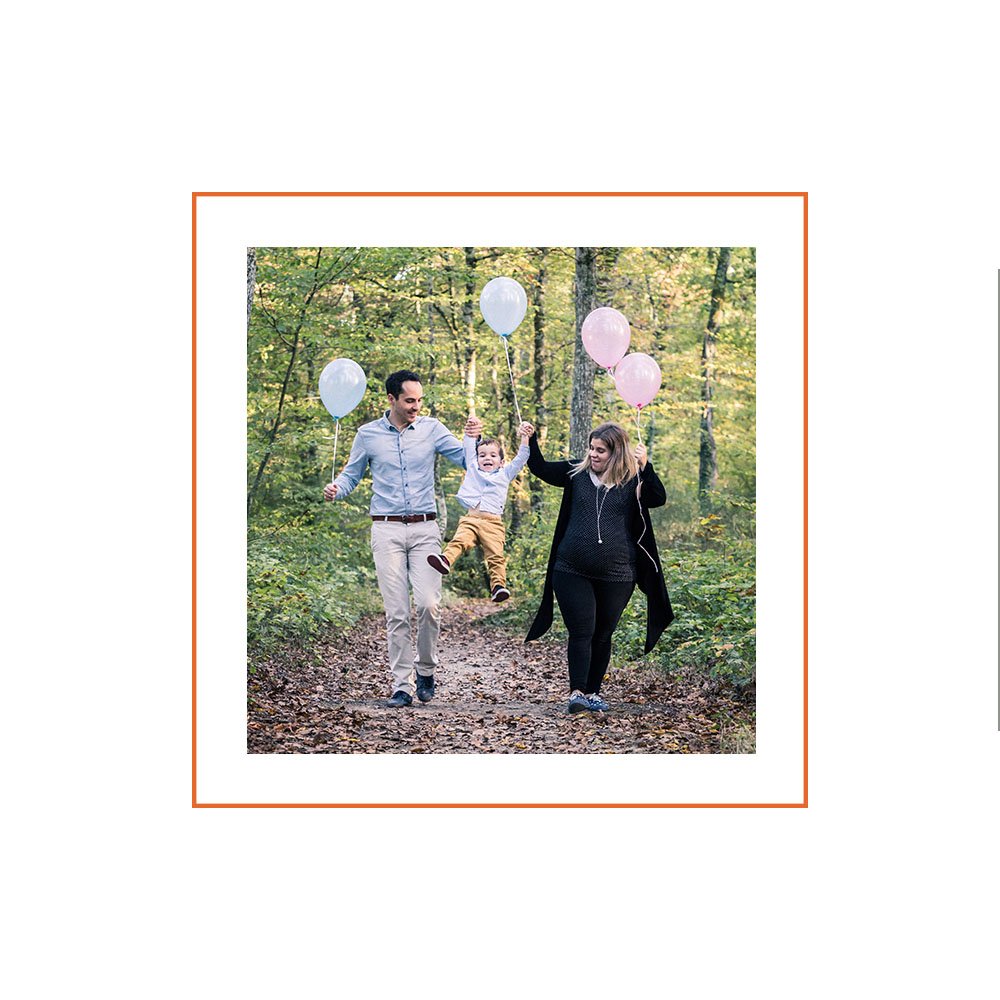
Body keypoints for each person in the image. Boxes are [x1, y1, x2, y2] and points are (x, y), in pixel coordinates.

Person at [323, 370, 482, 708]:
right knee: (396, 612)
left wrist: (473, 439)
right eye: (410, 400)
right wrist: (337, 489)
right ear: (391, 399)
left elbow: (467, 460)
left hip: (426, 529)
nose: (416, 407)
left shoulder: (432, 429)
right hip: (386, 529)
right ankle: (402, 686)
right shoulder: (367, 435)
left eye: (419, 400)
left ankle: (426, 669)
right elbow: (351, 476)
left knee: (428, 605)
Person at [523, 421, 673, 714]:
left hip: (618, 574)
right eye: (591, 448)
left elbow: (658, 498)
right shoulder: (575, 474)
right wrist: (531, 439)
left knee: (603, 634)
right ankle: (577, 693)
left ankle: (593, 692)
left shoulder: (632, 482)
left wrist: (645, 466)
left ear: (616, 453)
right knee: (582, 630)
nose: (593, 454)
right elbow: (539, 467)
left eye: (600, 450)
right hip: (570, 569)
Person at [427, 420, 534, 602]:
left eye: (493, 455)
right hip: (471, 519)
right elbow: (469, 449)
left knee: (495, 556)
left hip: (493, 524)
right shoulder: (472, 469)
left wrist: (525, 437)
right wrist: (470, 430)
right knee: (459, 540)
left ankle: (498, 586)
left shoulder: (505, 474)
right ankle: (446, 560)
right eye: (482, 455)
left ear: (501, 462)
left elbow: (521, 458)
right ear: (477, 459)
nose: (487, 458)